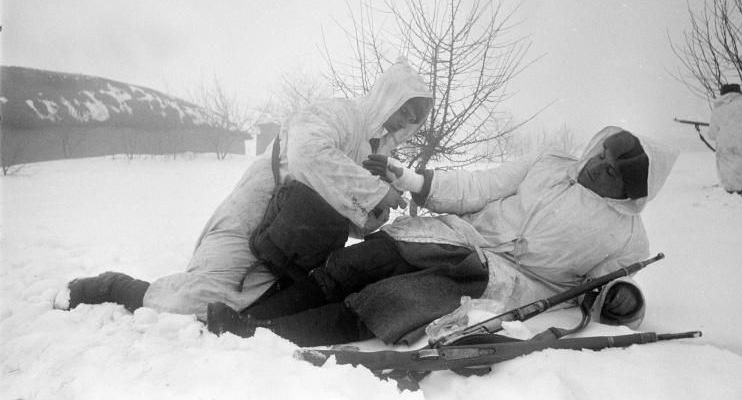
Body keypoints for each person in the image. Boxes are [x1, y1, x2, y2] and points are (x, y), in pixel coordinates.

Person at [206, 126, 679, 347]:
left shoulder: (626, 234)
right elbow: (479, 186)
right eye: (603, 156)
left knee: (388, 299)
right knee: (361, 261)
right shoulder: (550, 164)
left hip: (504, 282)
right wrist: (412, 181)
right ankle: (250, 315)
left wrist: (622, 299)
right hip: (458, 236)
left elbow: (614, 287)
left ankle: (262, 336)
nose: (599, 166)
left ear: (631, 191)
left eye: (614, 173)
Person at [54, 59, 433, 320]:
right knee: (196, 303)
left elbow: (346, 215)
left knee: (243, 311)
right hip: (253, 216)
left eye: (414, 119)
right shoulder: (339, 114)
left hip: (290, 243)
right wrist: (372, 192)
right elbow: (306, 154)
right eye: (404, 109)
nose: (406, 121)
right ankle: (105, 286)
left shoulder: (374, 152)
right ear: (388, 97)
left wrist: (376, 214)